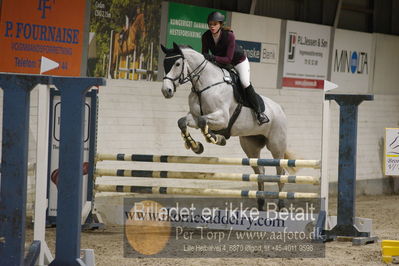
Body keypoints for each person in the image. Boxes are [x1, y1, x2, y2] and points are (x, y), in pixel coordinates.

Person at [201, 11, 269, 124]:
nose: (212, 26)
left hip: (238, 61)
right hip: (221, 62)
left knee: (244, 82)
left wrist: (212, 57)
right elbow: (204, 55)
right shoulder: (206, 36)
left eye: (215, 24)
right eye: (210, 24)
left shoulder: (229, 36)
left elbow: (228, 59)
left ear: (220, 25)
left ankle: (259, 113)